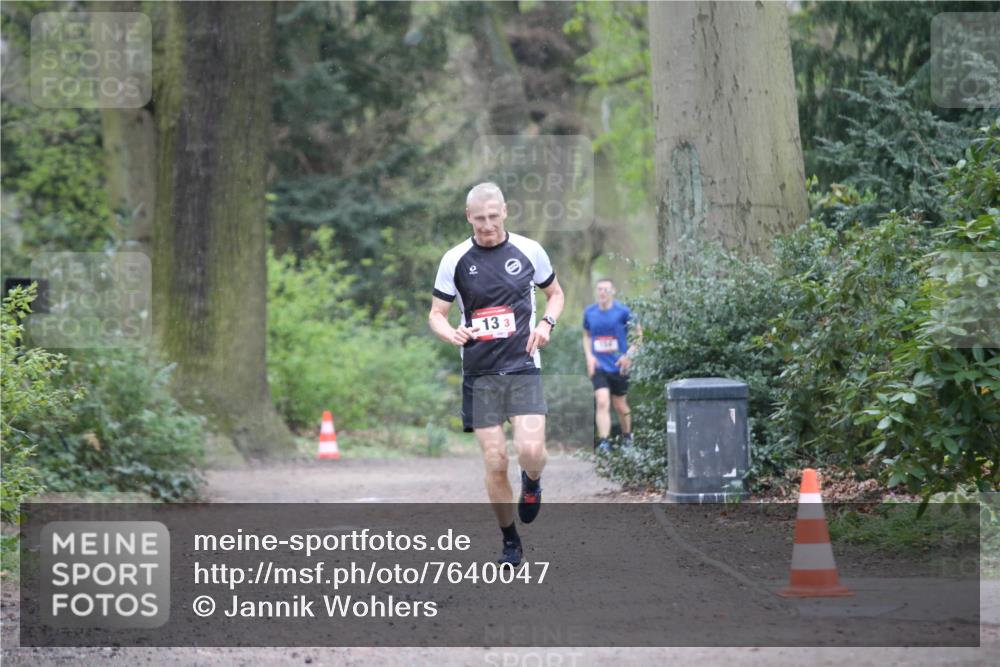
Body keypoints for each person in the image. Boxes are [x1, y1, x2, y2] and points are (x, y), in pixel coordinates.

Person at [428, 182, 564, 567]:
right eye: (479, 218)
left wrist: (547, 325)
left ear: (504, 211)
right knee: (495, 460)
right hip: (480, 373)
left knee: (531, 451)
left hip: (523, 366)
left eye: (493, 216)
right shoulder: (454, 260)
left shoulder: (529, 250)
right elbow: (436, 314)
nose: (487, 225)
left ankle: (533, 483)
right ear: (468, 217)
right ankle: (510, 541)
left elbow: (556, 293)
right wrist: (450, 331)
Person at [582, 278, 640, 453]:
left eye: (606, 289)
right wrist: (589, 357)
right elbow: (586, 335)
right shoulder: (590, 312)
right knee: (602, 401)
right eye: (599, 289)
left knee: (620, 405)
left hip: (618, 365)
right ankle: (604, 442)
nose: (602, 292)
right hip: (599, 366)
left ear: (613, 291)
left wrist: (628, 355)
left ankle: (628, 438)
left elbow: (638, 335)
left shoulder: (623, 311)